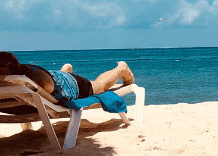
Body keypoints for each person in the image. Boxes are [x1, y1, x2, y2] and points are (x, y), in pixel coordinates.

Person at [0, 52, 134, 105]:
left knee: (99, 86)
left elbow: (46, 87)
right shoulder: (18, 79)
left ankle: (120, 68)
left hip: (68, 85)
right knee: (56, 78)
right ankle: (65, 70)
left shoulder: (36, 80)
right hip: (54, 78)